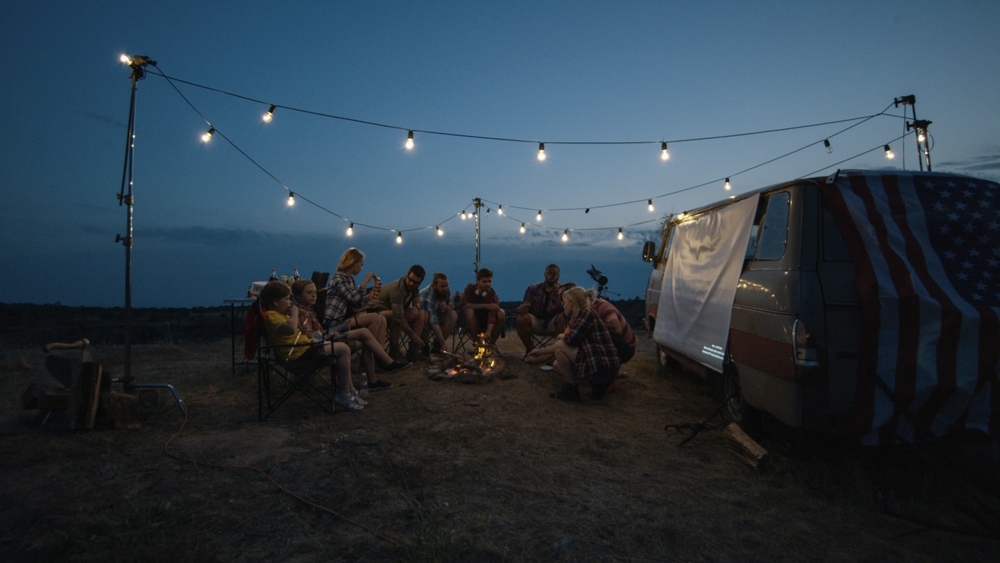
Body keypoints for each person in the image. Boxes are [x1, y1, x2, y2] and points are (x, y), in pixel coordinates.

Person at [258, 280, 365, 411]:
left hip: (306, 349)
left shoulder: (279, 315)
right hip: (298, 356)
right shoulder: (271, 315)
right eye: (287, 299)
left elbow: (293, 330)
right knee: (342, 349)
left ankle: (350, 391)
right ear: (275, 301)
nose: (290, 303)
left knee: (341, 348)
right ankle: (344, 394)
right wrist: (295, 313)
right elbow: (291, 329)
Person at [292, 279, 407, 388]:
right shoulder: (302, 313)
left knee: (368, 330)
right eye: (309, 293)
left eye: (315, 293)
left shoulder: (308, 310)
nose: (314, 295)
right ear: (297, 296)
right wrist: (327, 334)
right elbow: (311, 336)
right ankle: (385, 364)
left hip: (328, 335)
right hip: (323, 343)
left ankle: (381, 368)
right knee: (367, 330)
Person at [324, 248, 408, 389]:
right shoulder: (339, 278)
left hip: (345, 321)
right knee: (376, 318)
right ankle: (382, 361)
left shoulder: (349, 280)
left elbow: (357, 305)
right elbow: (352, 298)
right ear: (352, 262)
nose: (361, 268)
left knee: (379, 320)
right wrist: (366, 281)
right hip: (334, 325)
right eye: (360, 264)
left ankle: (374, 374)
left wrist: (369, 297)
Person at [524, 286, 620, 401]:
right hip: (599, 364)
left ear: (572, 303)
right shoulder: (581, 316)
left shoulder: (586, 314)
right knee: (558, 355)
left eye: (565, 303)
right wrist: (539, 354)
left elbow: (570, 340)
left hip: (601, 365)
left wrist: (559, 337)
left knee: (560, 346)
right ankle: (592, 387)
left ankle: (572, 390)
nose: (563, 305)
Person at [377, 264, 429, 361]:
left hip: (393, 315)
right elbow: (398, 317)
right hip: (377, 313)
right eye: (410, 280)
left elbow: (418, 302)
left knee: (422, 314)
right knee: (400, 318)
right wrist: (414, 336)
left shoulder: (413, 289)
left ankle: (413, 350)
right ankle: (394, 351)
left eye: (416, 282)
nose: (412, 284)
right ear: (407, 275)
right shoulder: (398, 289)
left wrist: (416, 307)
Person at [515, 264, 565, 355]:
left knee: (562, 318)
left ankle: (555, 352)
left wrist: (560, 295)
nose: (552, 276)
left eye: (555, 274)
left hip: (553, 322)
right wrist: (520, 309)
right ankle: (530, 350)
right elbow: (525, 305)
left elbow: (566, 310)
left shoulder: (562, 291)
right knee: (521, 318)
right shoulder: (533, 288)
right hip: (536, 320)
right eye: (549, 273)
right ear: (545, 273)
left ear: (559, 275)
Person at [586, 288, 638, 366]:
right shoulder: (592, 307)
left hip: (626, 348)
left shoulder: (602, 307)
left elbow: (617, 329)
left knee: (592, 336)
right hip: (620, 345)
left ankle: (607, 370)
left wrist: (594, 326)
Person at [461, 267, 506, 348]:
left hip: (487, 321)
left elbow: (493, 311)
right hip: (471, 320)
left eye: (489, 281)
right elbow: (464, 305)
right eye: (484, 281)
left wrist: (488, 331)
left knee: (501, 313)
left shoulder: (491, 294)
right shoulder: (470, 289)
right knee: (469, 312)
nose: (487, 284)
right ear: (478, 281)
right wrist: (485, 305)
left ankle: (490, 345)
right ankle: (478, 343)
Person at [419, 272, 458, 353]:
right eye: (442, 286)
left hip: (437, 317)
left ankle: (436, 347)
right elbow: (433, 321)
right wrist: (444, 343)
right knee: (425, 317)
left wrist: (447, 307)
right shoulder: (427, 294)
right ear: (434, 285)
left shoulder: (446, 290)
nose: (445, 288)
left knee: (453, 315)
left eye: (447, 285)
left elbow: (452, 304)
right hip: (422, 321)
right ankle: (424, 348)